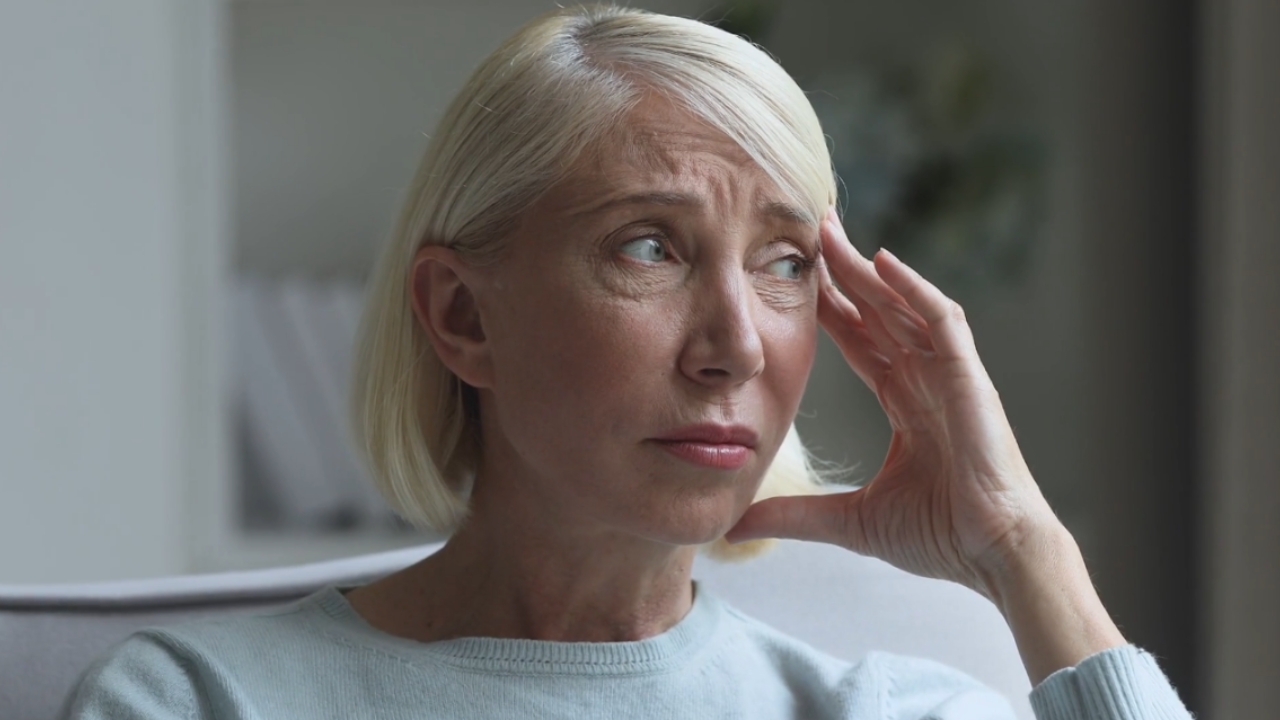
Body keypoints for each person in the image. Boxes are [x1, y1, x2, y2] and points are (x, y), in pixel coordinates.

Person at [63, 5, 1192, 719]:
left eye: (785, 263)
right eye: (649, 247)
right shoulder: (197, 701)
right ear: (461, 316)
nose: (736, 346)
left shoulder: (890, 710)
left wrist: (1022, 548)